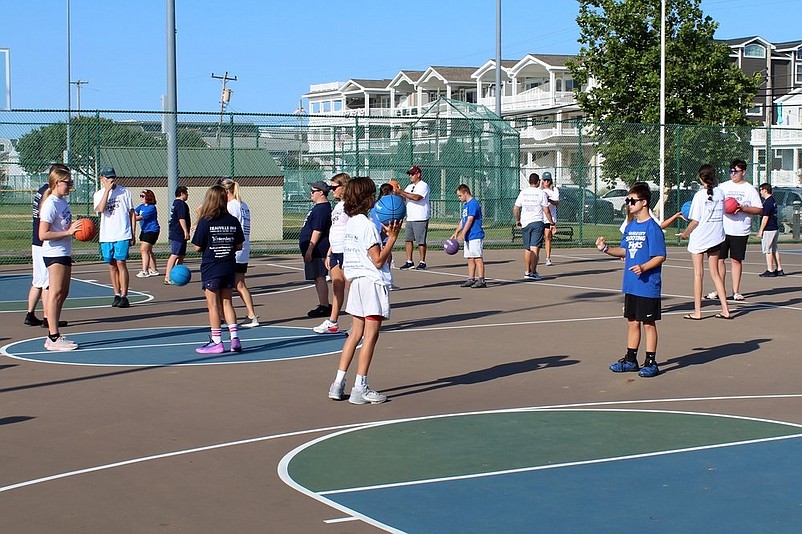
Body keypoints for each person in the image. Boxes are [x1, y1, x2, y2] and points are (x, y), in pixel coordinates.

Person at [327, 177, 401, 404]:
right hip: (371, 283)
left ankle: (337, 384)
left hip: (357, 282)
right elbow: (378, 260)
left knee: (355, 333)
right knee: (370, 336)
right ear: (367, 199)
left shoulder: (352, 223)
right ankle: (360, 387)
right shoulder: (367, 225)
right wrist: (392, 240)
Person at [595, 183, 666, 377]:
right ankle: (630, 359)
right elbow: (624, 250)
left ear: (644, 203)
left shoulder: (653, 228)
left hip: (647, 286)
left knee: (648, 323)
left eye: (632, 201)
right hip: (631, 285)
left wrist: (643, 267)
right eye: (627, 200)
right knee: (632, 322)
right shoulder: (631, 226)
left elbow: (660, 256)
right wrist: (605, 248)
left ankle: (651, 362)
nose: (629, 204)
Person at [191, 185, 245, 354]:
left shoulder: (205, 220)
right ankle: (235, 338)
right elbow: (239, 245)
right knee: (227, 302)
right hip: (229, 265)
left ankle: (216, 342)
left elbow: (197, 247)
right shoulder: (233, 221)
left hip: (212, 266)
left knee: (213, 305)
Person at [38, 165, 83, 351]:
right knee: (55, 293)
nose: (70, 186)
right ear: (57, 183)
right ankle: (53, 337)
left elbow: (62, 226)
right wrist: (68, 231)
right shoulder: (50, 204)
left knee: (63, 293)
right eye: (68, 182)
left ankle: (54, 334)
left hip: (64, 251)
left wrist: (74, 228)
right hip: (54, 253)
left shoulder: (62, 202)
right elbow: (43, 234)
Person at [678, 165, 732, 320]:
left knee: (698, 274)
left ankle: (697, 312)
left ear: (701, 178)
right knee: (715, 274)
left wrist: (684, 234)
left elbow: (695, 221)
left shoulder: (700, 196)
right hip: (716, 237)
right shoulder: (721, 193)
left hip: (700, 238)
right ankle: (725, 310)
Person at [707, 159, 762, 301]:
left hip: (740, 230)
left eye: (735, 171)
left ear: (743, 172)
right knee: (719, 260)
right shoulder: (723, 187)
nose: (733, 174)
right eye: (731, 171)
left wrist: (743, 208)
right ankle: (719, 290)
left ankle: (736, 291)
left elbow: (759, 209)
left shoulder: (749, 189)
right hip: (722, 229)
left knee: (736, 260)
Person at [24, 171, 67, 330]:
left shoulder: (44, 191)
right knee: (47, 284)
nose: (70, 185)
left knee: (39, 281)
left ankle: (30, 314)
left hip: (40, 242)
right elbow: (45, 229)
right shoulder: (49, 197)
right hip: (45, 244)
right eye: (67, 182)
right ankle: (47, 318)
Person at [219, 178, 260, 327]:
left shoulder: (231, 206)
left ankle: (225, 317)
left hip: (234, 248)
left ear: (225, 191)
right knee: (240, 283)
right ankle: (251, 315)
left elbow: (228, 226)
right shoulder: (243, 205)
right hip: (244, 248)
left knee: (225, 284)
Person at [93, 166, 135, 308]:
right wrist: (107, 191)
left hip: (122, 232)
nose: (111, 180)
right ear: (102, 178)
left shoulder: (125, 192)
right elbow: (100, 209)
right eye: (108, 177)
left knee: (121, 263)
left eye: (112, 177)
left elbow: (132, 213)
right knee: (112, 265)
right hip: (107, 235)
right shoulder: (99, 194)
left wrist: (132, 233)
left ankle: (124, 295)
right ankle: (116, 293)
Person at [314, 172, 351, 334]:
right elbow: (334, 229)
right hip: (335, 251)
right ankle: (333, 322)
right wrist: (329, 251)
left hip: (346, 251)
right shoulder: (337, 206)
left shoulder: (350, 206)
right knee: (337, 287)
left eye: (334, 187)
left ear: (344, 187)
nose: (332, 190)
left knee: (353, 288)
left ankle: (360, 321)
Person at [300, 180, 333, 318]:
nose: (311, 194)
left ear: (321, 192)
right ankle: (323, 303)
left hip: (318, 250)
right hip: (315, 249)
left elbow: (317, 230)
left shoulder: (322, 209)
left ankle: (324, 306)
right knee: (317, 277)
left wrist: (310, 249)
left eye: (313, 191)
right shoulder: (319, 208)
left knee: (320, 277)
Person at [513, 173, 554, 281]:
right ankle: (533, 272)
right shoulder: (541, 193)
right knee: (535, 248)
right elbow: (546, 210)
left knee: (527, 248)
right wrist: (551, 223)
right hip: (537, 222)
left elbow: (516, 208)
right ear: (538, 181)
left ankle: (527, 271)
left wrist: (518, 220)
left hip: (525, 223)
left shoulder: (523, 193)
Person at [450, 184, 486, 288]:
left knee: (477, 258)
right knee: (470, 258)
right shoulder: (466, 205)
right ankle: (471, 278)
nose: (459, 198)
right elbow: (463, 220)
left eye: (460, 195)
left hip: (475, 235)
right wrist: (456, 232)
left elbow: (470, 220)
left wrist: (463, 233)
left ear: (466, 193)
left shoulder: (473, 203)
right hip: (469, 237)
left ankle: (481, 279)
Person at [394, 165, 430, 270]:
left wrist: (401, 192)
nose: (410, 176)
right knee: (408, 240)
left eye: (412, 174)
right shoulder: (409, 187)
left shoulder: (423, 185)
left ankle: (422, 262)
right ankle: (409, 261)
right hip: (410, 217)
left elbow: (417, 197)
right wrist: (396, 192)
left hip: (420, 216)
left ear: (418, 174)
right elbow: (404, 197)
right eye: (409, 174)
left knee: (421, 241)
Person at [164, 186, 191, 285]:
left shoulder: (176, 204)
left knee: (181, 255)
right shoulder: (180, 204)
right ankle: (167, 276)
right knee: (175, 254)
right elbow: (181, 218)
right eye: (186, 193)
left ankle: (177, 275)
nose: (187, 195)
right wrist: (185, 231)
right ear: (182, 193)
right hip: (178, 233)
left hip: (178, 233)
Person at [757, 183, 785, 277]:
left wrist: (761, 230)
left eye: (761, 190)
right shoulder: (772, 201)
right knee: (774, 249)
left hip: (769, 229)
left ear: (765, 190)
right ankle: (779, 269)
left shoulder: (768, 202)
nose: (760, 192)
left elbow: (765, 218)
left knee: (768, 250)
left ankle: (770, 270)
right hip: (774, 228)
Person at [134, 189, 160, 278]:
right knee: (148, 251)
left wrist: (128, 219)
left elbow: (139, 217)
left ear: (148, 197)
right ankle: (153, 270)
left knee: (143, 250)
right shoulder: (141, 206)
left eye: (143, 196)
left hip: (152, 231)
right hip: (144, 230)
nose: (141, 198)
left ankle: (145, 271)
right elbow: (134, 213)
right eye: (140, 196)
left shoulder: (151, 208)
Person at [541, 175, 559, 266]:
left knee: (547, 237)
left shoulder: (554, 191)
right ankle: (534, 256)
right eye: (545, 180)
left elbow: (556, 203)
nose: (546, 182)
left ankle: (548, 258)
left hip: (550, 219)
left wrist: (549, 199)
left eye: (548, 180)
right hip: (539, 218)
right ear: (542, 181)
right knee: (537, 239)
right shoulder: (539, 191)